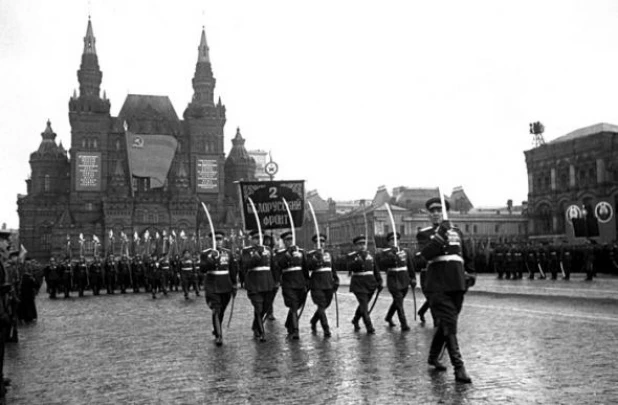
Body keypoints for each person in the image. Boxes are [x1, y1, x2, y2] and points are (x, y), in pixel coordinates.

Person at [415, 197, 475, 384]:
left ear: (445, 212)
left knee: (447, 324)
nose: (435, 213)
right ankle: (459, 367)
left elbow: (466, 253)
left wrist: (471, 274)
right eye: (432, 211)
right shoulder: (424, 234)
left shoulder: (456, 231)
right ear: (428, 215)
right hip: (437, 284)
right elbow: (426, 255)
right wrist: (441, 232)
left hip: (457, 283)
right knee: (449, 322)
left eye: (439, 210)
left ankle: (433, 356)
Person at [200, 231, 238, 346]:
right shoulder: (206, 254)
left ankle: (217, 328)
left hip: (225, 285)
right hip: (212, 285)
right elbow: (202, 269)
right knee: (216, 309)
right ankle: (219, 336)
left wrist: (235, 284)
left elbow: (232, 270)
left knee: (221, 311)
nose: (218, 241)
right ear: (211, 241)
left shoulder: (228, 253)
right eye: (216, 239)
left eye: (220, 239)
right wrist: (210, 261)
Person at [240, 230, 277, 342]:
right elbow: (245, 266)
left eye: (259, 238)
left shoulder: (268, 250)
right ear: (250, 239)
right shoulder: (246, 251)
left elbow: (274, 266)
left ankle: (256, 325)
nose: (258, 240)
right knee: (258, 307)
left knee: (265, 308)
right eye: (255, 238)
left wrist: (277, 281)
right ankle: (261, 332)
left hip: (267, 283)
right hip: (254, 283)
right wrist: (256, 256)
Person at [274, 230, 309, 339]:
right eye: (287, 240)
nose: (289, 242)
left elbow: (305, 268)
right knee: (293, 306)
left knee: (297, 306)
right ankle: (295, 331)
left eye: (291, 239)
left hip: (300, 283)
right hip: (288, 284)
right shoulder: (280, 254)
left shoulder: (301, 252)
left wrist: (307, 282)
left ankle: (289, 324)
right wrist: (288, 255)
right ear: (284, 241)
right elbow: (279, 266)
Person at [377, 232, 416, 331]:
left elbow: (410, 265)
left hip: (404, 278)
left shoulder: (405, 251)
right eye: (392, 240)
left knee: (398, 301)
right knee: (398, 300)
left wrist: (413, 278)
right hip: (393, 279)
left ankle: (389, 317)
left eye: (397, 239)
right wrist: (392, 256)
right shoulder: (384, 252)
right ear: (389, 242)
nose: (395, 241)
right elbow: (382, 264)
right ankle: (404, 324)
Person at [347, 235, 382, 334]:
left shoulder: (370, 255)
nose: (362, 246)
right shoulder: (351, 256)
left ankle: (355, 319)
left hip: (370, 284)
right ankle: (369, 327)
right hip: (358, 285)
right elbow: (349, 267)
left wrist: (379, 281)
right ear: (355, 246)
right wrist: (358, 261)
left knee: (363, 305)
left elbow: (376, 270)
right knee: (364, 306)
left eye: (363, 244)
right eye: (359, 244)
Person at [306, 233, 339, 337]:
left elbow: (332, 269)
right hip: (316, 284)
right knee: (321, 305)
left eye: (322, 242)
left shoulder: (329, 254)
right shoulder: (310, 254)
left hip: (328, 284)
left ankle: (314, 320)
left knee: (325, 305)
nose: (321, 244)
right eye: (318, 242)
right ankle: (326, 328)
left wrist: (336, 280)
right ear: (314, 244)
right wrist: (316, 258)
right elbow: (308, 266)